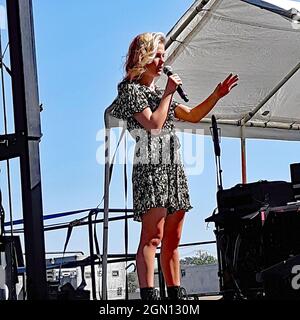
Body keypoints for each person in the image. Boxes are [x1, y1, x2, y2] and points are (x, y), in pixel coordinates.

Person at [109, 32, 238, 300]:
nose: (162, 60)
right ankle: (148, 295)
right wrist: (168, 92)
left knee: (173, 237)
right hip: (151, 167)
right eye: (156, 55)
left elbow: (192, 115)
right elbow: (154, 126)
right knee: (152, 236)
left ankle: (175, 293)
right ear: (141, 58)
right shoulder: (131, 91)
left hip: (173, 166)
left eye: (163, 56)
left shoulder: (159, 94)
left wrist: (216, 94)